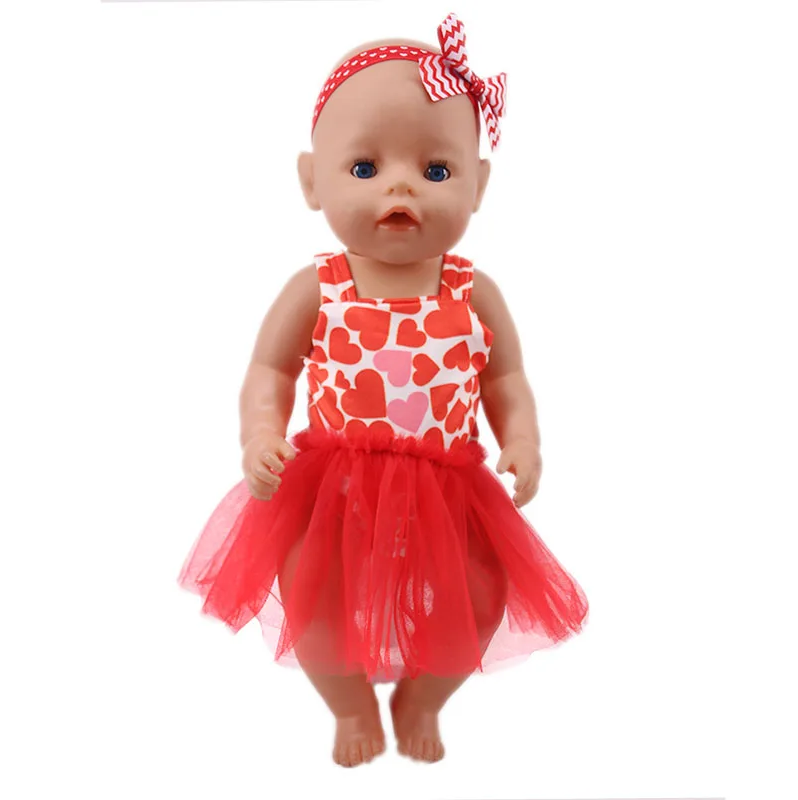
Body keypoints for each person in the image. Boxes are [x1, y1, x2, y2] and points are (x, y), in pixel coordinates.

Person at [178, 13, 588, 767]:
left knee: (480, 601)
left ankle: (423, 699)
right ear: (312, 181)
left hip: (450, 489)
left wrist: (523, 441)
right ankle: (349, 705)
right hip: (331, 487)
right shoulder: (320, 285)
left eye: (437, 170)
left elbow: (505, 377)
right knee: (317, 606)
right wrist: (261, 434)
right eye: (365, 167)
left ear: (479, 185)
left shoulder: (472, 291)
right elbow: (271, 370)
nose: (401, 184)